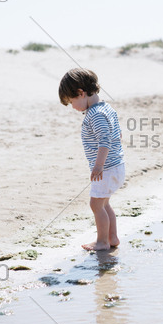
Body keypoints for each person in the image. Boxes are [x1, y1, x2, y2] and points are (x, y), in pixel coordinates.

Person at [58, 68, 125, 251]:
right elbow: (117, 134)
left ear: (81, 93)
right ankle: (112, 238)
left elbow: (104, 140)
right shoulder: (106, 108)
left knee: (96, 205)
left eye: (71, 101)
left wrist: (98, 165)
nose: (72, 107)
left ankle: (102, 242)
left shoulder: (95, 114)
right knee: (104, 203)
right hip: (117, 166)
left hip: (106, 168)